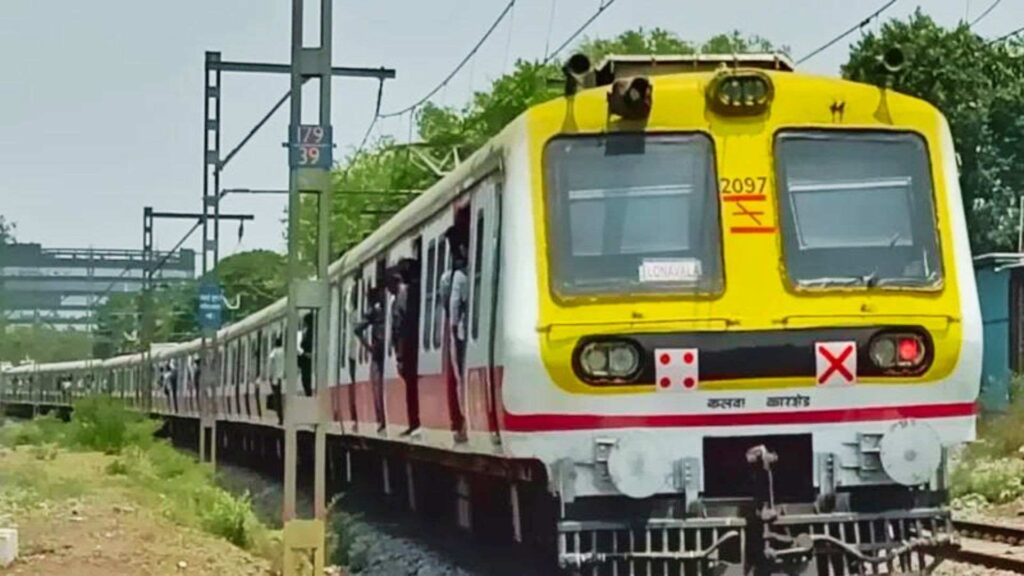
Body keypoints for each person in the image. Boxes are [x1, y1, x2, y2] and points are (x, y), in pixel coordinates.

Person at [389, 265, 420, 435]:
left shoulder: (402, 295)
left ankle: (414, 421)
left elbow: (398, 326)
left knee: (410, 386)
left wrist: (399, 355)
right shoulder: (418, 290)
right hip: (417, 342)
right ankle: (416, 421)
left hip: (407, 345)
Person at [355, 286, 386, 433]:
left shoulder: (373, 311)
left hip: (377, 351)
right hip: (384, 350)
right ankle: (383, 419)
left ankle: (381, 420)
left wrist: (367, 346)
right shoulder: (385, 309)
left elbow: (357, 329)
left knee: (376, 384)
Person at [448, 249, 470, 442]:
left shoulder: (459, 277)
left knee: (461, 380)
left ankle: (464, 423)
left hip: (462, 334)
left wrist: (453, 332)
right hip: (473, 331)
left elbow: (454, 306)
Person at [268, 334, 285, 425]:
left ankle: (280, 418)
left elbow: (270, 365)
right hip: (283, 377)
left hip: (276, 378)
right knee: (280, 398)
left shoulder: (273, 352)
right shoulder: (284, 351)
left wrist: (270, 376)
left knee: (277, 399)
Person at [298, 313, 314, 397]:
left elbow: (303, 345)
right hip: (307, 360)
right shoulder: (308, 332)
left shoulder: (309, 332)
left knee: (306, 380)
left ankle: (308, 394)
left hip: (307, 361)